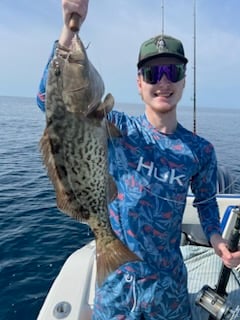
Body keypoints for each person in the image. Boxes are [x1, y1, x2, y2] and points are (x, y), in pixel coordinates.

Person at [37, 0, 240, 319]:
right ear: (139, 82)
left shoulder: (200, 151)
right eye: (152, 72)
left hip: (167, 292)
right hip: (117, 288)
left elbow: (205, 203)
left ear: (184, 80)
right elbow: (49, 101)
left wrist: (216, 239)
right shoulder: (115, 126)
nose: (163, 81)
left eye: (172, 72)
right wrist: (69, 30)